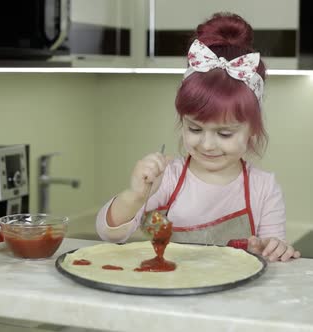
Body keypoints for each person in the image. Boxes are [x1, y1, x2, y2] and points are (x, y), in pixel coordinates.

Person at [95, 12, 300, 262]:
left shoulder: (264, 189)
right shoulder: (167, 178)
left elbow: (275, 255)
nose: (207, 144)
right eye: (194, 129)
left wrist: (275, 249)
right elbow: (109, 234)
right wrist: (136, 195)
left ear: (252, 130)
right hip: (173, 295)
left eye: (224, 133)